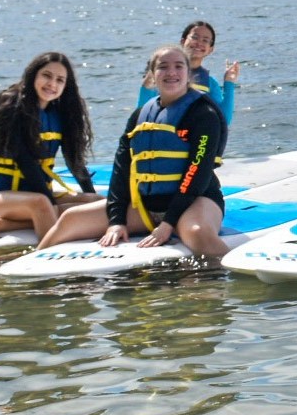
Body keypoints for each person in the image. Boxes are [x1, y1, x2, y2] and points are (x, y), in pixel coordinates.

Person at [38, 45, 230, 257]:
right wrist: (117, 220)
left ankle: (228, 281)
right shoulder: (140, 116)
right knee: (70, 219)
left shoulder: (204, 114)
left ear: (188, 73)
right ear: (152, 74)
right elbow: (122, 169)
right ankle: (25, 267)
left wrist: (168, 223)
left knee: (198, 233)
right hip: (147, 208)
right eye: (163, 67)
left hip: (195, 202)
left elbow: (198, 173)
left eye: (178, 66)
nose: (171, 72)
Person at [0, 51, 98, 238]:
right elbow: (26, 163)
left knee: (97, 202)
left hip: (37, 195)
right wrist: (52, 205)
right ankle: (48, 252)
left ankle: (10, 225)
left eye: (60, 80)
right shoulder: (10, 106)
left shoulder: (60, 114)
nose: (52, 84)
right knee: (41, 204)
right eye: (47, 76)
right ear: (33, 74)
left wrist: (92, 197)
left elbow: (74, 161)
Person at [138, 20, 239, 124]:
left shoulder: (210, 83)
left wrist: (229, 83)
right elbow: (141, 116)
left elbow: (224, 120)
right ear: (183, 41)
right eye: (194, 37)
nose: (199, 43)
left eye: (205, 40)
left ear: (210, 49)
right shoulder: (162, 75)